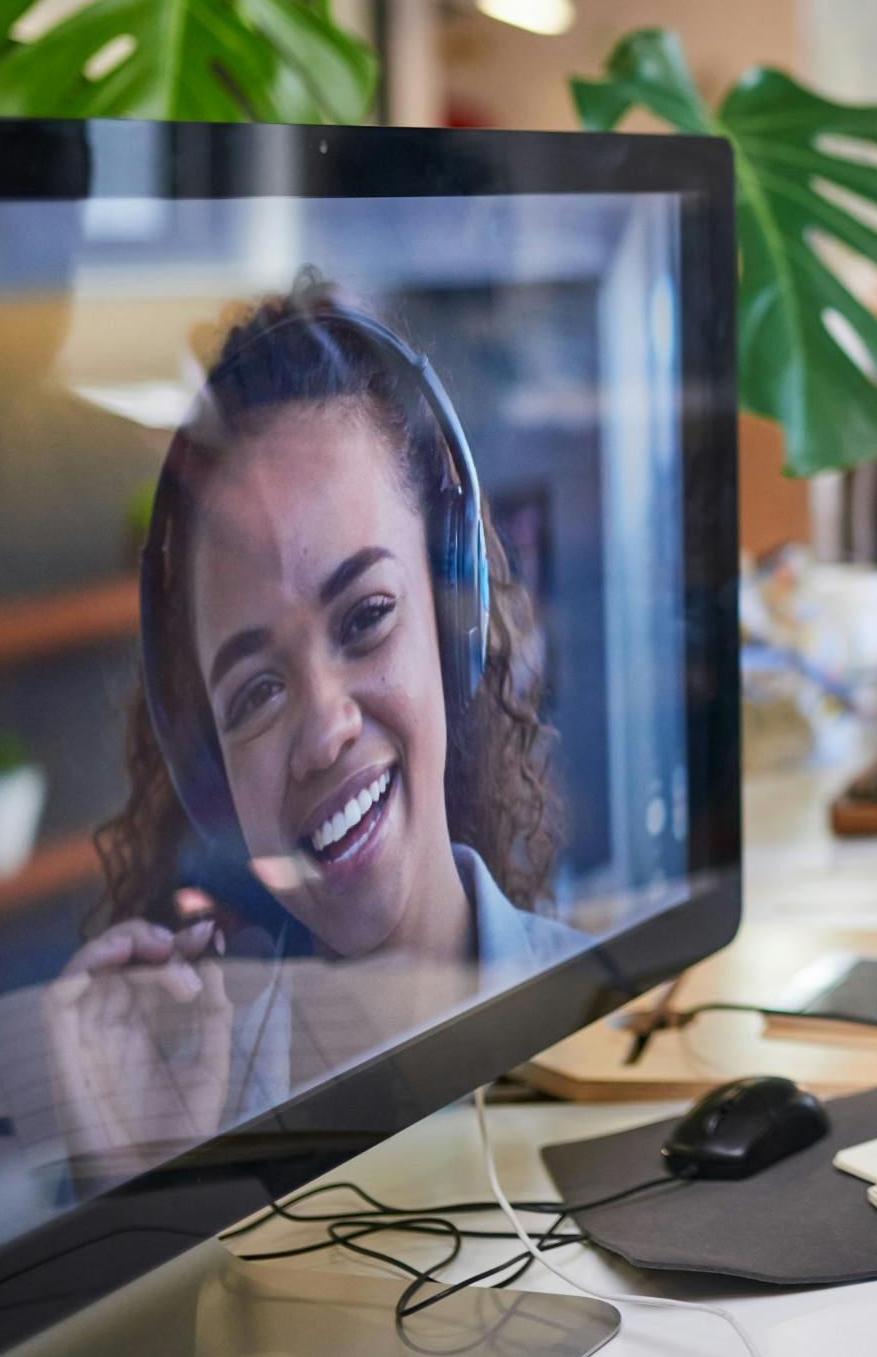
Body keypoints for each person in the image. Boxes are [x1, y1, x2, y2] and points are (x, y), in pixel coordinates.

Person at [47, 282, 583, 1169]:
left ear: (457, 619)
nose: (325, 728)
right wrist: (142, 1192)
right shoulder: (173, 1111)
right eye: (255, 692)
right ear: (206, 766)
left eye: (366, 616)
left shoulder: (619, 1017)